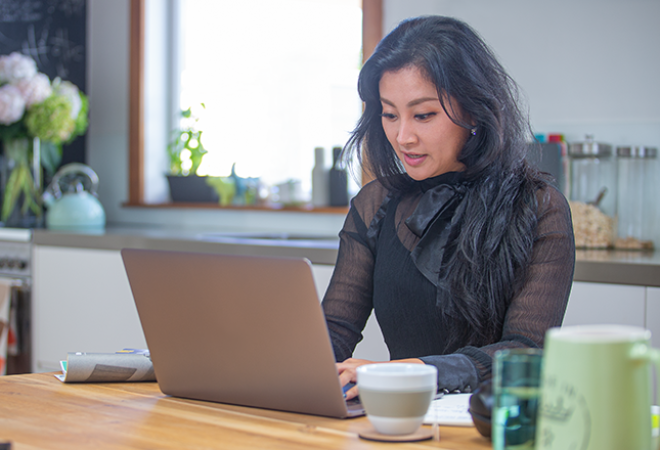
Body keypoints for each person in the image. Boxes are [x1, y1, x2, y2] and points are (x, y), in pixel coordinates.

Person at [321, 15, 575, 400]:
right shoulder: (375, 204)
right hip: (400, 419)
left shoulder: (539, 208)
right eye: (390, 114)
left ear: (473, 111)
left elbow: (524, 351)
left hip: (492, 426)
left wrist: (399, 373)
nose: (403, 137)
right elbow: (335, 328)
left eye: (423, 115)